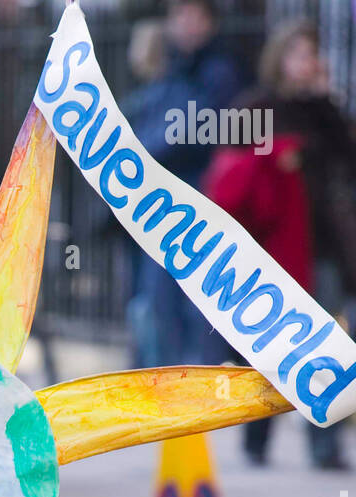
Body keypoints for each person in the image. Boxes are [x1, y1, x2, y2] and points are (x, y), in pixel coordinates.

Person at [203, 21, 356, 470]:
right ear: (280, 58)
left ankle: (323, 444)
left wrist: (325, 104)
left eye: (312, 54)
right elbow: (227, 170)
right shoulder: (257, 107)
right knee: (272, 346)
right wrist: (274, 157)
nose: (307, 63)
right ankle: (257, 433)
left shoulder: (326, 110)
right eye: (299, 53)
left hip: (322, 246)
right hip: (269, 248)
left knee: (323, 345)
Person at [128, 0, 244, 367]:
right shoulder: (170, 72)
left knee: (195, 311)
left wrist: (151, 150)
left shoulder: (220, 71)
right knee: (156, 310)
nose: (186, 23)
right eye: (180, 15)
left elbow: (202, 129)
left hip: (198, 205)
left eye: (195, 15)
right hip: (162, 207)